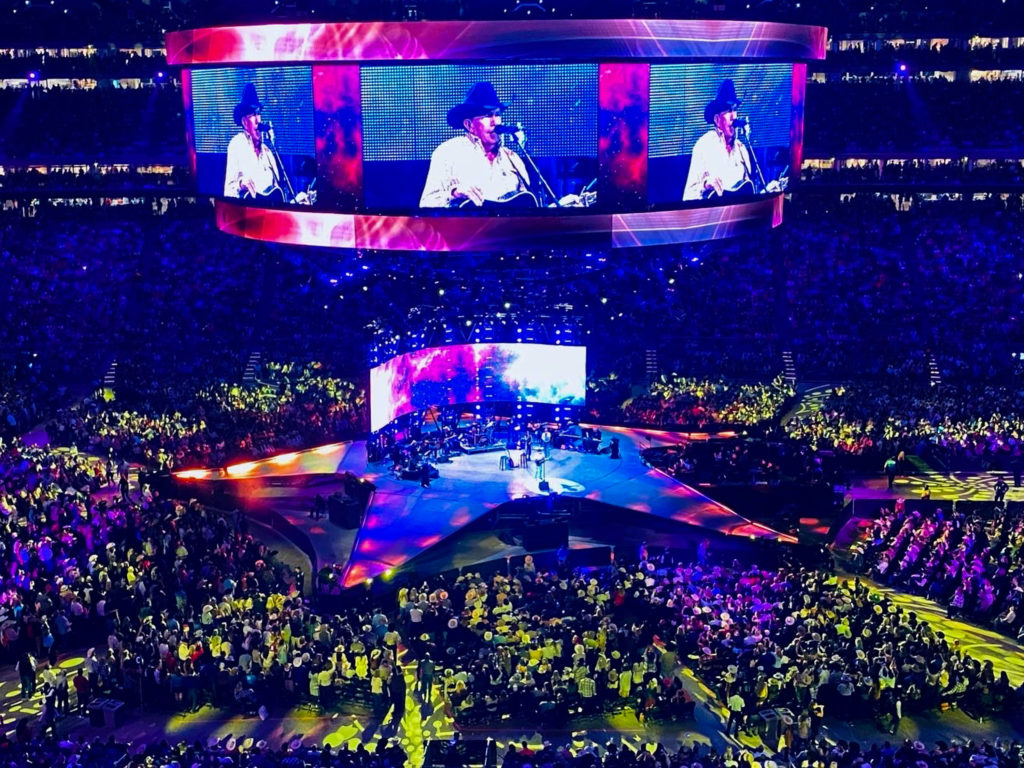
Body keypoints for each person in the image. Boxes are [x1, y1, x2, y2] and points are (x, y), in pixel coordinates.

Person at [420, 82, 532, 208]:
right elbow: (426, 204)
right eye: (488, 115)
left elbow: (527, 204)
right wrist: (454, 194)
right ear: (469, 125)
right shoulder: (447, 153)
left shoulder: (513, 159)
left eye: (498, 114)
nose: (495, 121)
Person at [683, 80, 755, 201]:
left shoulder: (742, 150)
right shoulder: (704, 146)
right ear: (717, 119)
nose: (734, 116)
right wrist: (705, 185)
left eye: (735, 109)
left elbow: (750, 194)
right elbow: (688, 196)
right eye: (728, 111)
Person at [224, 83, 282, 200]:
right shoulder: (237, 145)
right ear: (244, 122)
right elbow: (228, 191)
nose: (258, 120)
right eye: (253, 115)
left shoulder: (268, 153)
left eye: (259, 113)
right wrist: (240, 184)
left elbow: (278, 194)